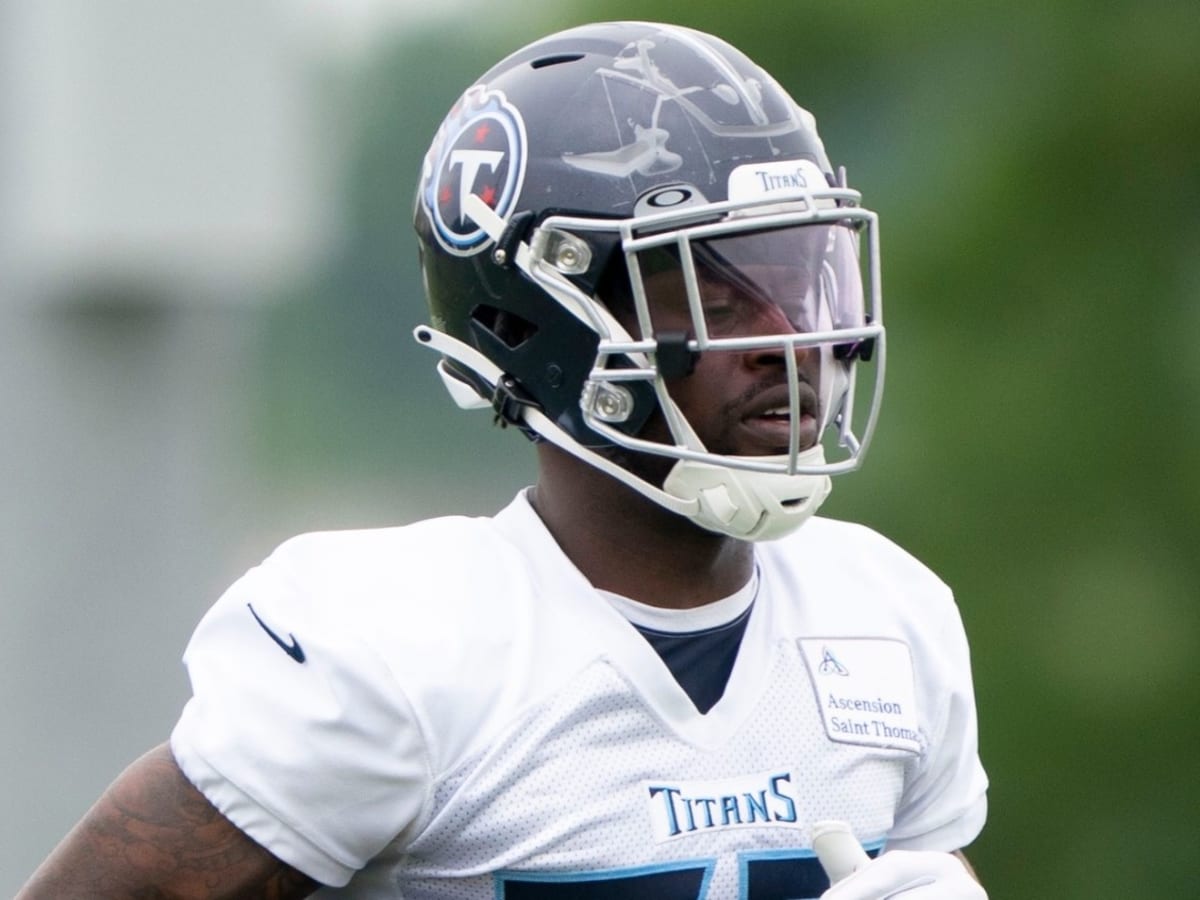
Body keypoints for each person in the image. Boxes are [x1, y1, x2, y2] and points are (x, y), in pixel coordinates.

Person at [19, 21, 988, 900]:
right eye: (718, 298)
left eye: (802, 281)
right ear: (543, 325)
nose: (793, 343)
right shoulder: (405, 652)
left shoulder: (888, 620)